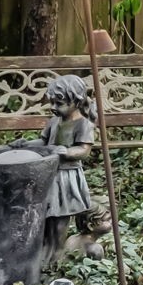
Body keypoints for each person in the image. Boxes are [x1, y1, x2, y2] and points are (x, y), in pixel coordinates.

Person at [38, 74, 98, 264]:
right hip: (49, 176)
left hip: (66, 179)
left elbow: (84, 150)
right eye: (52, 103)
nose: (53, 108)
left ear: (77, 101)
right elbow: (43, 142)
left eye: (59, 103)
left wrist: (66, 151)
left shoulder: (83, 124)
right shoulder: (54, 121)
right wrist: (25, 144)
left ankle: (56, 256)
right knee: (46, 219)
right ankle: (44, 255)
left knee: (60, 221)